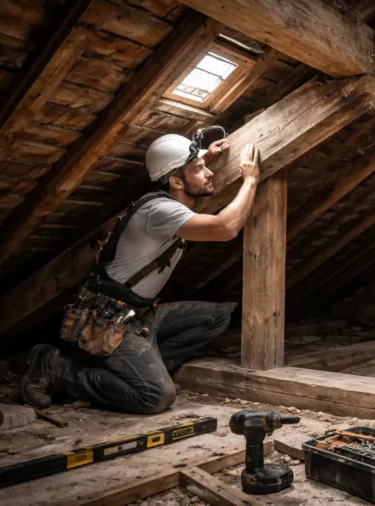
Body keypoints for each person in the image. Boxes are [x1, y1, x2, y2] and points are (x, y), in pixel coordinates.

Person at [20, 129, 261, 414]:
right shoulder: (159, 211)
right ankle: (55, 367)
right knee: (156, 397)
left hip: (142, 315)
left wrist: (204, 156)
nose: (208, 173)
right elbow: (225, 228)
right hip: (108, 320)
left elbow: (184, 177)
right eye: (199, 169)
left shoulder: (170, 197)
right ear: (175, 181)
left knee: (216, 317)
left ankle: (140, 368)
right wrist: (250, 179)